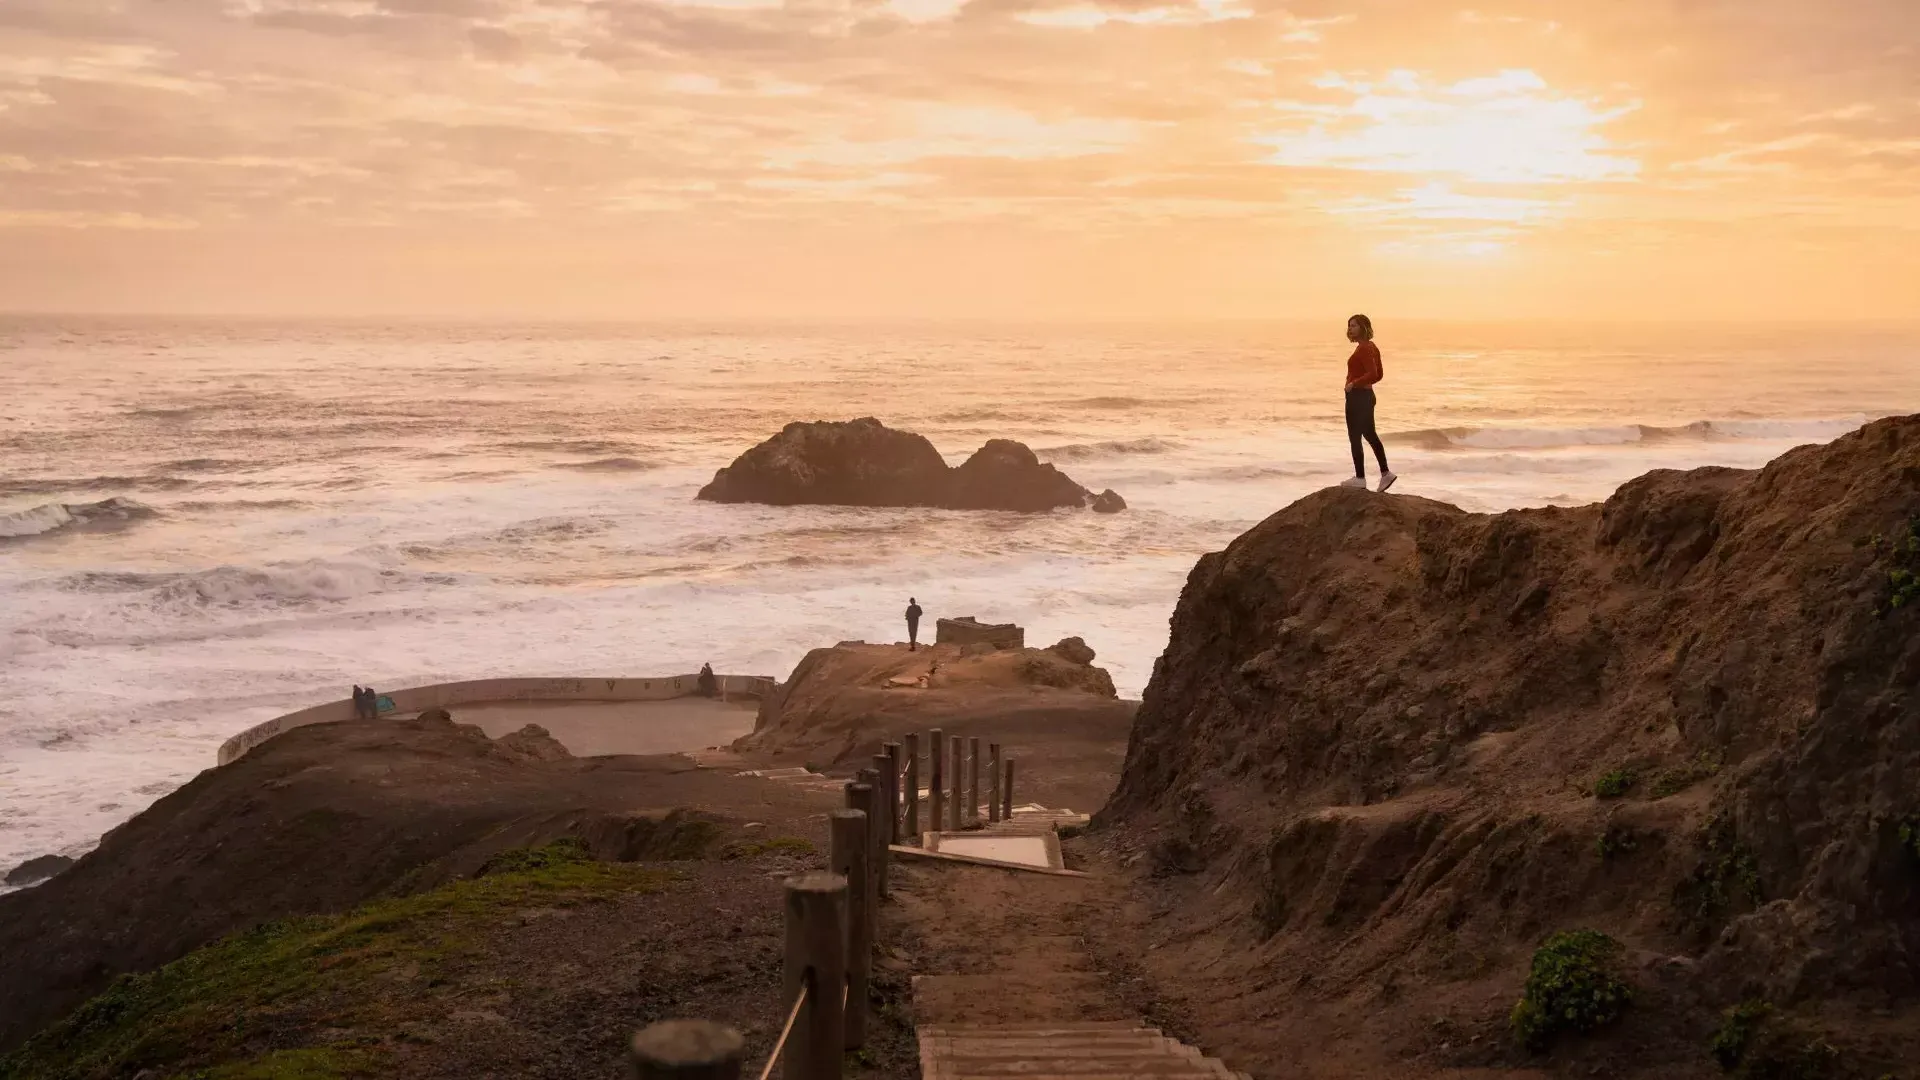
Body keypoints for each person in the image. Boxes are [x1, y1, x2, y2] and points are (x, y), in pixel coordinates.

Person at [1340, 313, 1397, 492]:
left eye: (1354, 325)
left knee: (1355, 437)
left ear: (1363, 327)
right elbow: (1378, 375)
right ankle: (1385, 473)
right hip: (1366, 396)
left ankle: (1360, 478)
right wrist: (1361, 384)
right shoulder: (1371, 347)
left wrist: (1353, 384)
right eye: (1349, 325)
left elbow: (1373, 375)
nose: (1350, 329)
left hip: (1358, 397)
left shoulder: (1364, 348)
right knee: (1370, 435)